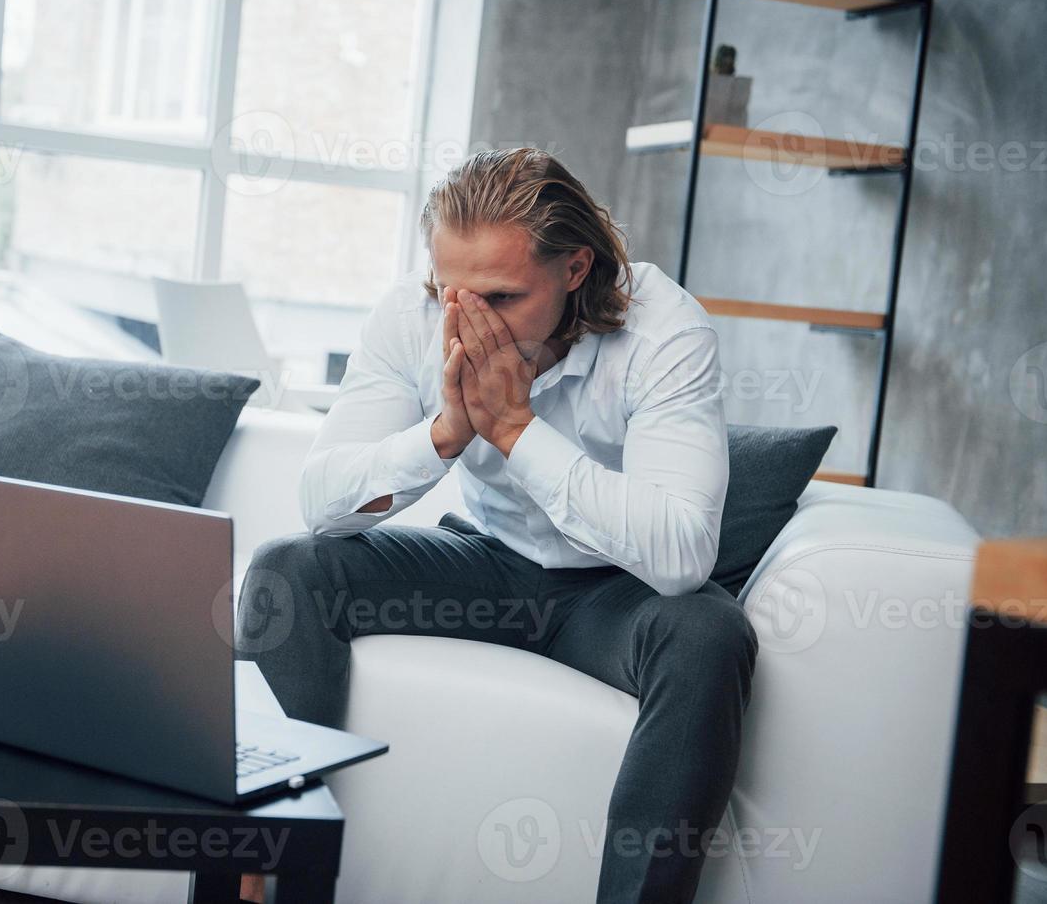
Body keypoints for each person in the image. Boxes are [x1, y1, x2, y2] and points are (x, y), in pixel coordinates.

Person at [235, 147, 758, 902]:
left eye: (503, 297)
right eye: (454, 291)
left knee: (708, 632)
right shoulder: (412, 315)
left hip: (613, 593)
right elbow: (321, 503)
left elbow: (679, 555)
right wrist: (444, 434)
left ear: (575, 269)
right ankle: (266, 890)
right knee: (290, 566)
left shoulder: (664, 330)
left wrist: (515, 430)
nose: (470, 320)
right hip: (483, 561)